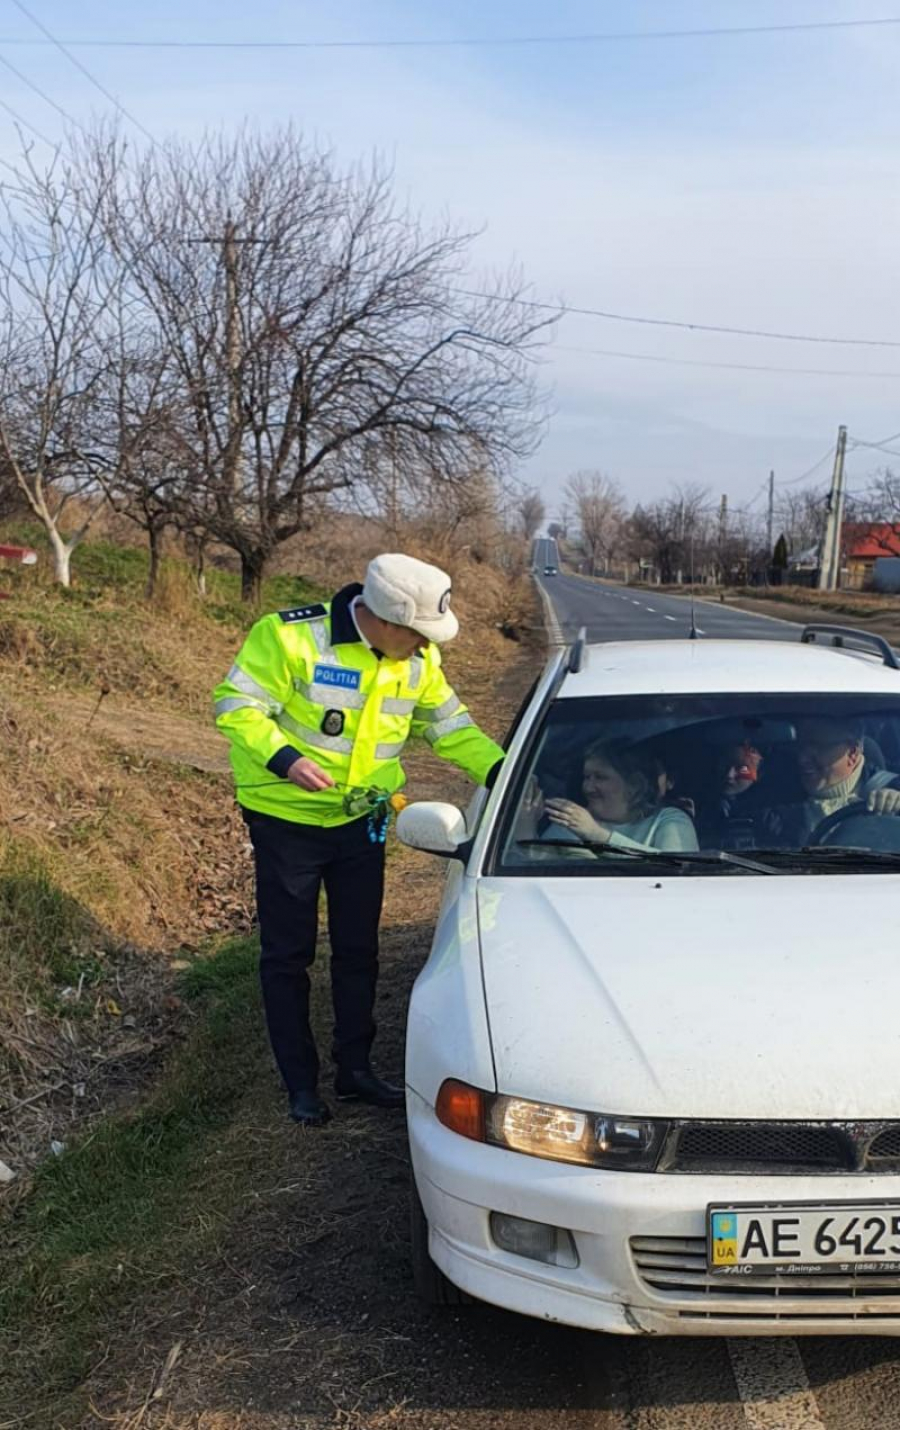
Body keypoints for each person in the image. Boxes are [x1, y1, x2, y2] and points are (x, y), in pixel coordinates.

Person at [214, 554, 504, 1127]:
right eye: (419, 636)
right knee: (288, 954)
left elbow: (453, 730)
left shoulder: (419, 663)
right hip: (286, 823)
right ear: (389, 620)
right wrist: (287, 760)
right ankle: (300, 1083)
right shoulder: (290, 638)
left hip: (360, 824)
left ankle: (355, 1071)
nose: (426, 648)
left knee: (357, 950)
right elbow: (237, 707)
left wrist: (506, 775)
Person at [517, 736, 698, 854]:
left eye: (600, 777)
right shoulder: (571, 822)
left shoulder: (668, 819)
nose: (588, 787)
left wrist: (596, 835)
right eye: (586, 777)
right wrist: (525, 825)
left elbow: (679, 870)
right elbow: (531, 872)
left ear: (634, 784)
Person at [764, 716, 900, 846]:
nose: (802, 759)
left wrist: (893, 805)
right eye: (800, 746)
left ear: (852, 752)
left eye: (817, 747)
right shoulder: (772, 800)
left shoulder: (894, 790)